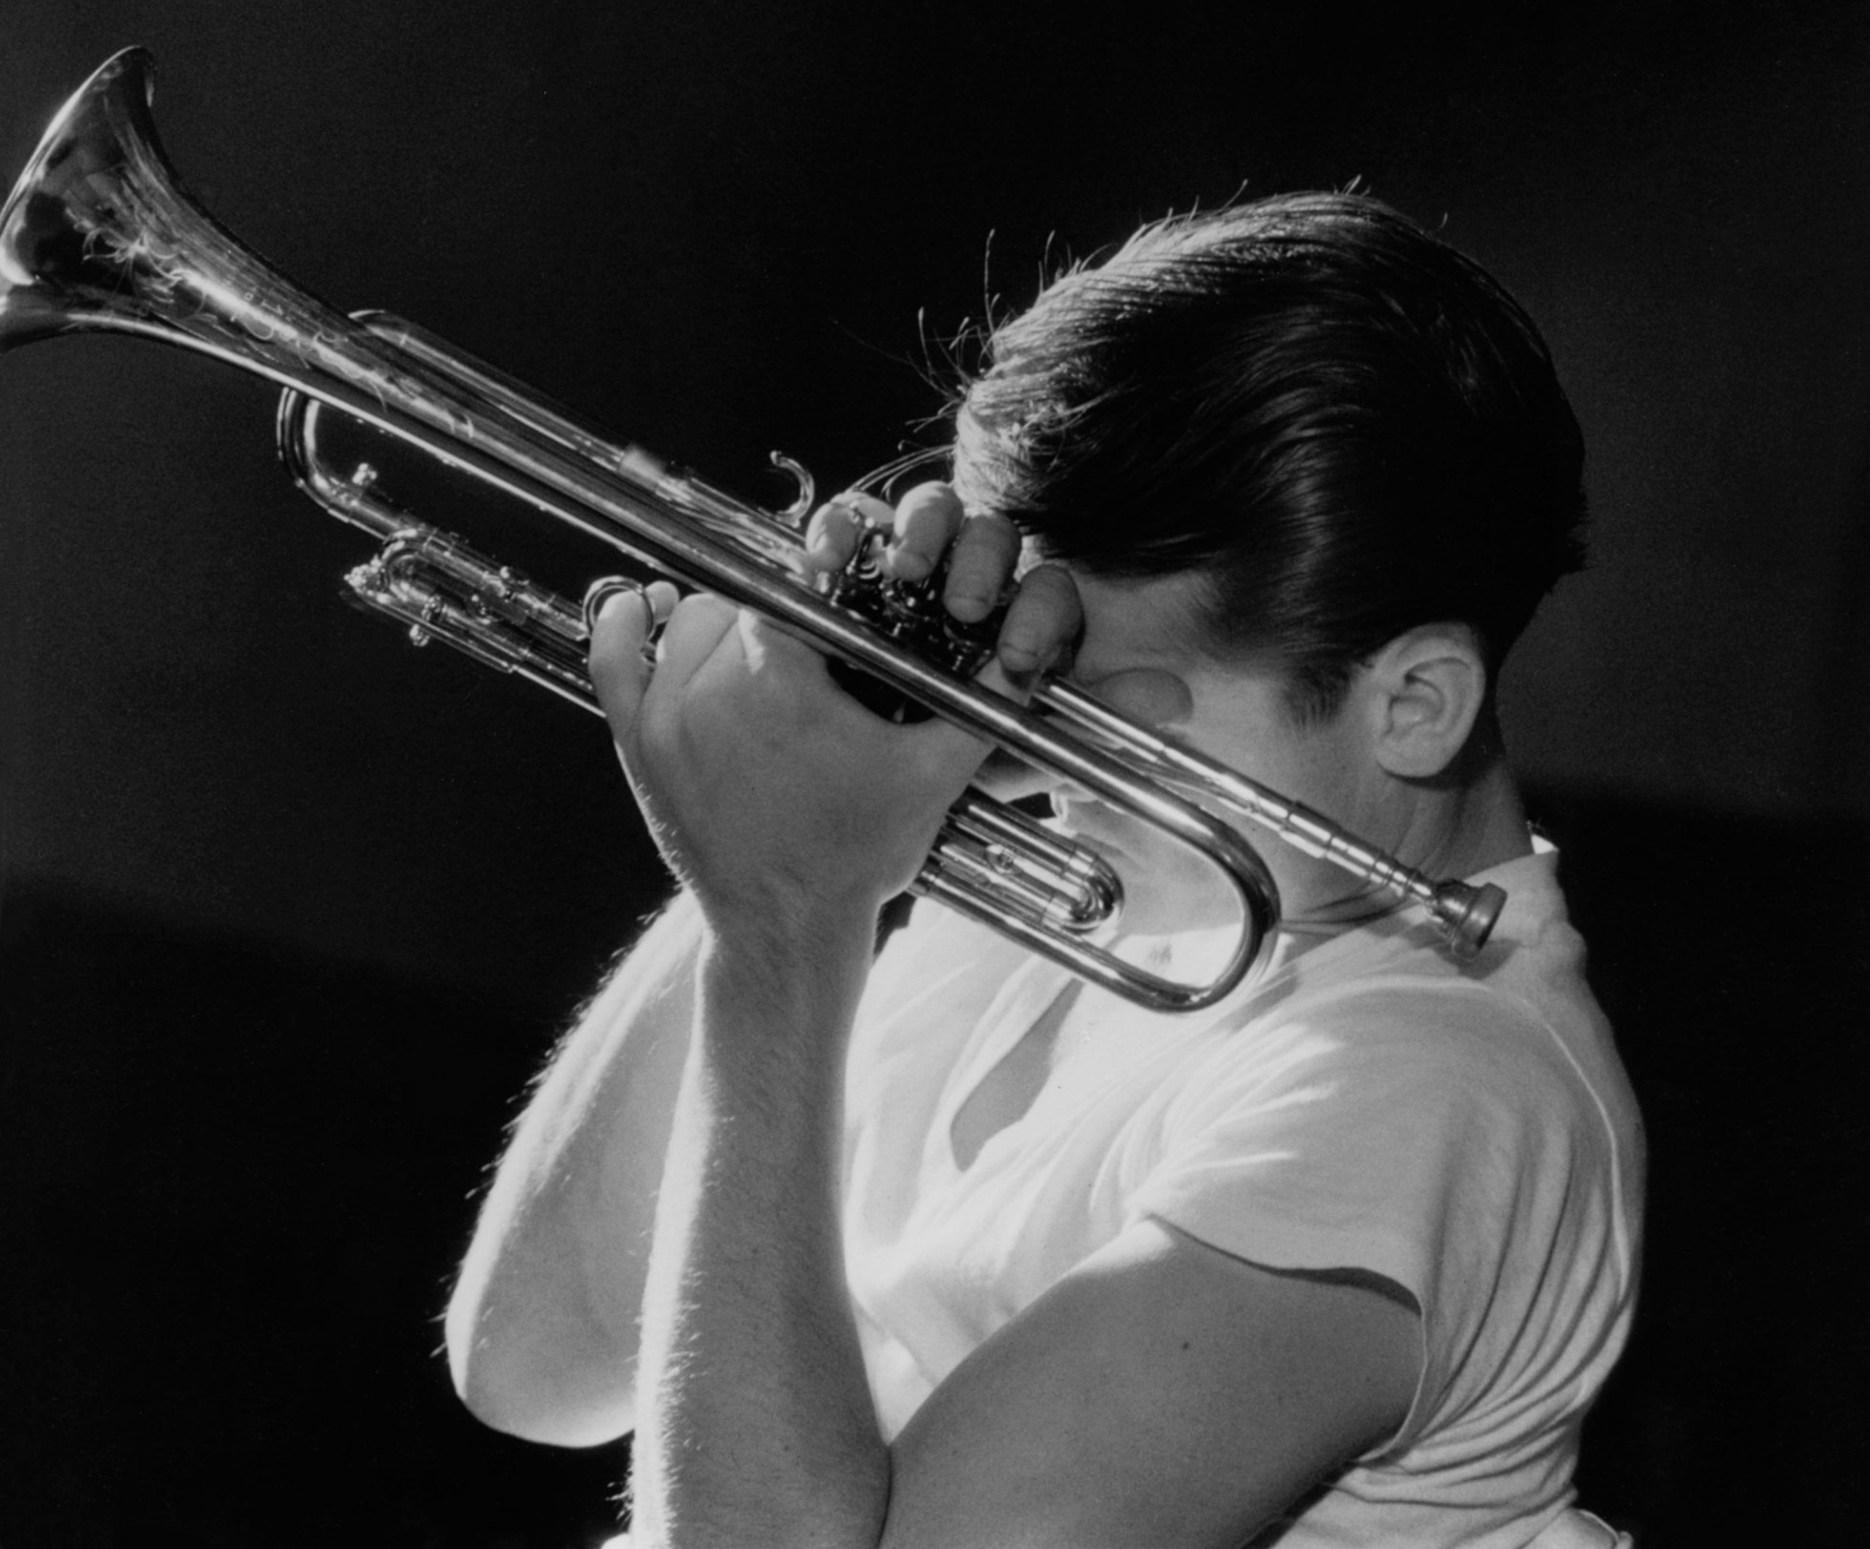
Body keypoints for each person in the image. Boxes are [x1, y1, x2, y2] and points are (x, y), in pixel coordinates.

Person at [444, 194, 1644, 1549]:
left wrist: (781, 920)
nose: (1035, 741)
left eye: (1102, 700)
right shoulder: (1084, 886)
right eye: (1025, 665)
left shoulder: (1434, 1086)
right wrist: (787, 780)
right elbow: (539, 1364)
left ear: (1415, 703)